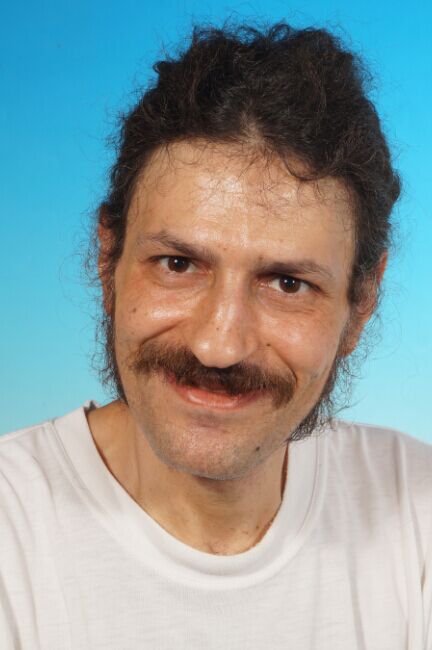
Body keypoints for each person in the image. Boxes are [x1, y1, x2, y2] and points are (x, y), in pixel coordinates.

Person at [0, 19, 431, 650]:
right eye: (178, 264)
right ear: (107, 260)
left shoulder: (418, 512)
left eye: (287, 283)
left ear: (361, 304)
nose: (218, 346)